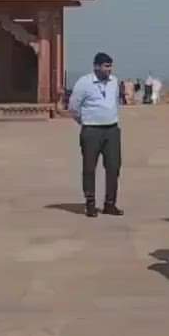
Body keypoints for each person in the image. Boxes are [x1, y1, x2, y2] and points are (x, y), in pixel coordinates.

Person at [66, 53, 122, 218]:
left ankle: (110, 204)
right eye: (106, 66)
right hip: (91, 130)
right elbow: (73, 107)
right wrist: (85, 121)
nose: (109, 69)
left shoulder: (114, 82)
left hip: (112, 130)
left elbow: (115, 102)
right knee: (89, 167)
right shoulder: (84, 83)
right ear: (96, 66)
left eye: (110, 66)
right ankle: (90, 203)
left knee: (113, 167)